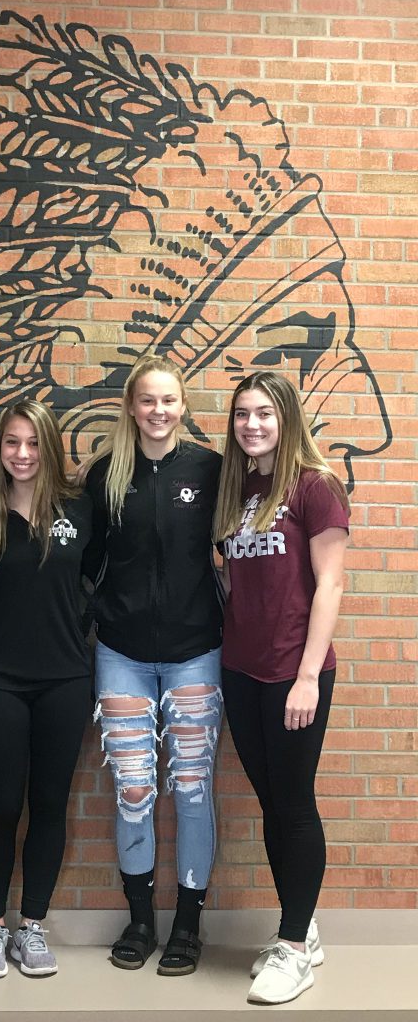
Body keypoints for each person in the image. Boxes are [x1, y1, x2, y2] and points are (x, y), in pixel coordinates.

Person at [83, 354, 224, 976]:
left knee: (192, 790)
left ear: (183, 406)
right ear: (131, 407)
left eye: (169, 401)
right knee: (134, 789)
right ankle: (140, 921)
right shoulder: (105, 474)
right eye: (147, 401)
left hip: (197, 651)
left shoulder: (212, 470)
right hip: (123, 655)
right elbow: (83, 563)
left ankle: (188, 926)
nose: (158, 411)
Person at [213, 370, 349, 1005]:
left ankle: (293, 947)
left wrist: (304, 678)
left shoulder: (315, 486)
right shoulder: (236, 488)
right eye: (242, 414)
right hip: (239, 671)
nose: (252, 425)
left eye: (264, 413)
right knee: (274, 802)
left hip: (294, 674)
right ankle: (304, 922)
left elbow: (331, 584)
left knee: (293, 803)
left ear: (286, 417)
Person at [0, 400, 93, 979]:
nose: (22, 454)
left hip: (66, 677)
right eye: (12, 443)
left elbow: (107, 575)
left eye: (33, 443)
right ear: (0, 449)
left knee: (50, 805)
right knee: (3, 805)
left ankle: (32, 926)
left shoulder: (82, 511)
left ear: (50, 448)